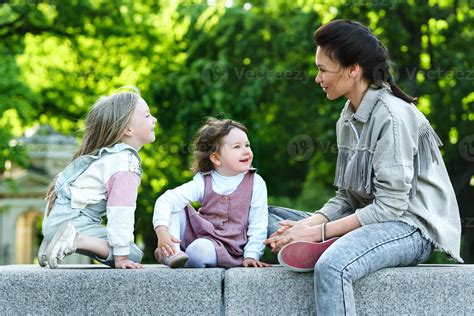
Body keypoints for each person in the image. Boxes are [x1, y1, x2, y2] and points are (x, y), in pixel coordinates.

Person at [264, 19, 463, 314]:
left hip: (410, 227)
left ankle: (333, 244)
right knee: (266, 217)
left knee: (332, 267)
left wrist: (318, 233)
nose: (317, 78)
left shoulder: (392, 116)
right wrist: (310, 224)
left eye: (322, 70)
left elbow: (390, 207)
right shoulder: (347, 117)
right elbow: (346, 196)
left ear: (353, 69)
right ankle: (338, 239)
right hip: (369, 219)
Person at [38, 88, 156, 269]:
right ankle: (75, 239)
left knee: (118, 244)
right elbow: (120, 210)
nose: (153, 120)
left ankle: (55, 241)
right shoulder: (125, 162)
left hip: (56, 222)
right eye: (147, 116)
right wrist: (122, 257)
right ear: (128, 129)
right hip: (73, 222)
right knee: (133, 253)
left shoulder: (106, 157)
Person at [153, 117, 269, 268]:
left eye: (247, 145)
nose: (246, 151)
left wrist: (251, 255)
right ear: (216, 158)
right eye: (237, 147)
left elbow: (258, 224)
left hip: (226, 249)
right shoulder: (204, 180)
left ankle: (182, 256)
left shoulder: (256, 182)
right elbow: (166, 200)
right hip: (199, 235)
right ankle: (172, 252)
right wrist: (162, 231)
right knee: (175, 204)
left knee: (198, 250)